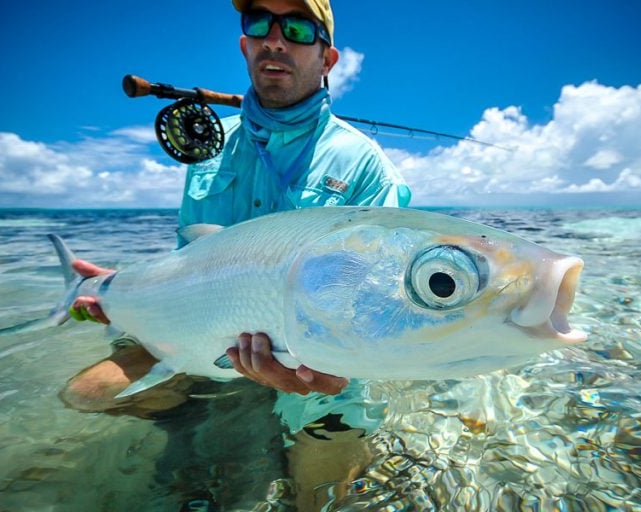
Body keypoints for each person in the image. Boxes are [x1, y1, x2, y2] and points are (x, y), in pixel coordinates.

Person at [63, 0, 411, 509]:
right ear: (245, 45)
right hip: (207, 338)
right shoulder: (210, 147)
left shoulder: (367, 168)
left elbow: (379, 308)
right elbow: (192, 263)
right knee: (83, 395)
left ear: (328, 60)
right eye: (259, 24)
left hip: (316, 368)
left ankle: (236, 435)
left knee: (324, 499)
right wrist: (125, 295)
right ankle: (201, 424)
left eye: (296, 28)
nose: (275, 39)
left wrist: (330, 374)